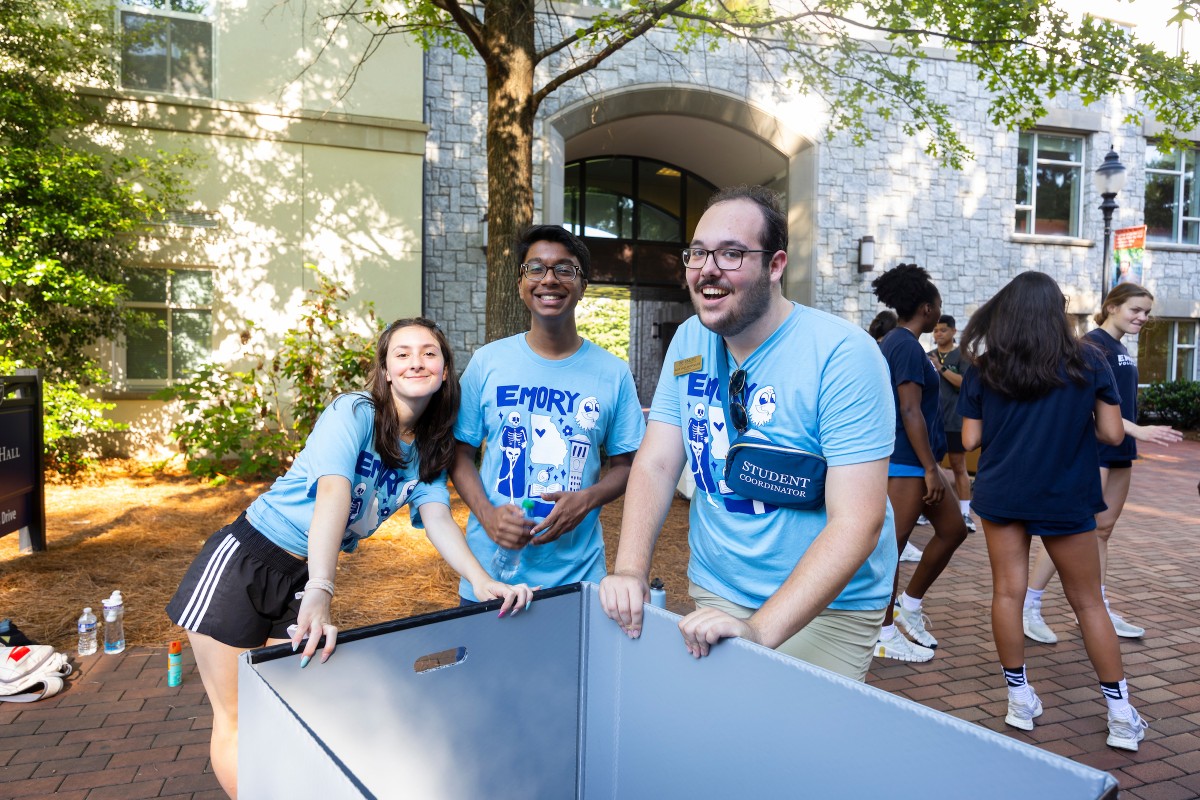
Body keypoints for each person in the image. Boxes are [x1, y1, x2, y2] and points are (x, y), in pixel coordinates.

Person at [166, 319, 534, 799]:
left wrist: (482, 581)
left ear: (445, 372)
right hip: (246, 561)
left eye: (429, 353)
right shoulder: (353, 411)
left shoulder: (426, 447)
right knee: (237, 716)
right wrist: (322, 589)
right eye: (402, 353)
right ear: (384, 369)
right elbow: (333, 494)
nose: (416, 361)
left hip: (302, 574)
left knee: (281, 710)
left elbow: (438, 518)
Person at [599, 185, 896, 682]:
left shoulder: (844, 355)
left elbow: (858, 522)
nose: (707, 269)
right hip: (718, 585)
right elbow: (656, 462)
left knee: (798, 749)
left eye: (731, 253)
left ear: (775, 265)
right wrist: (629, 569)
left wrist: (757, 630)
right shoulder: (692, 338)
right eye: (697, 253)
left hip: (829, 606)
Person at [959, 271, 1148, 752]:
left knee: (1008, 593)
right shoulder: (1089, 359)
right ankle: (1121, 714)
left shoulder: (986, 364)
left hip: (1002, 493)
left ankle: (1019, 700)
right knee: (1088, 602)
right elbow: (1111, 434)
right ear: (1057, 310)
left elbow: (970, 440)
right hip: (1064, 493)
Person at [449, 225, 645, 601]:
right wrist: (488, 516)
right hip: (490, 576)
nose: (549, 280)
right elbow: (460, 454)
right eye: (536, 268)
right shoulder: (488, 362)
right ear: (521, 283)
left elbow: (627, 466)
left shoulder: (613, 372)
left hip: (576, 579)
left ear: (583, 285)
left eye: (564, 270)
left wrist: (586, 500)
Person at [1022, 284, 1182, 643]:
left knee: (1102, 530)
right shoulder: (1090, 346)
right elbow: (1087, 408)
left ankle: (1097, 606)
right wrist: (1139, 430)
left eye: (1146, 312)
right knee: (1073, 530)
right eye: (1135, 310)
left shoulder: (1120, 347)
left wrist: (1134, 434)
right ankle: (1028, 606)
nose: (1142, 317)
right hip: (1098, 449)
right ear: (1111, 306)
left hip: (1121, 449)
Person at [871, 265, 968, 662]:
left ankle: (907, 608)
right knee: (889, 550)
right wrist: (930, 468)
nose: (940, 312)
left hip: (916, 461)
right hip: (906, 462)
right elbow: (909, 411)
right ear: (926, 308)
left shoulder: (900, 343)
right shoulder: (906, 346)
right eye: (939, 306)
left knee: (954, 529)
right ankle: (882, 631)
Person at [928, 314, 976, 533]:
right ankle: (928, 511)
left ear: (953, 332)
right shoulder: (929, 355)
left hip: (955, 421)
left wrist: (941, 368)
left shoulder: (962, 356)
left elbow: (965, 383)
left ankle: (965, 513)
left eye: (943, 330)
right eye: (936, 330)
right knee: (931, 467)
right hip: (934, 421)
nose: (938, 334)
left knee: (958, 466)